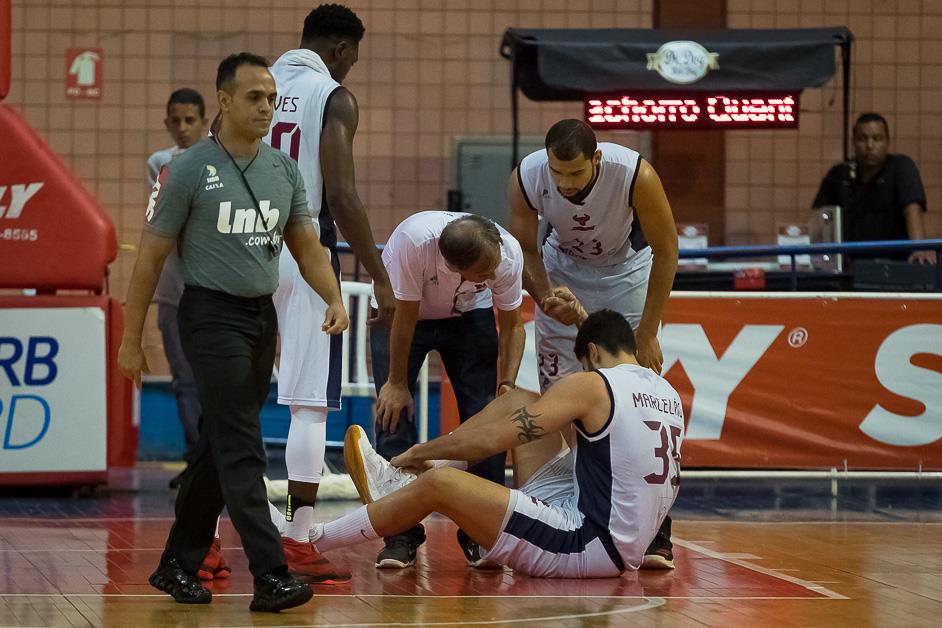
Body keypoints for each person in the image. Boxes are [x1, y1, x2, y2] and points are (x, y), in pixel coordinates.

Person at [118, 52, 348, 612]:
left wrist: (334, 295)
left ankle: (177, 563)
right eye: (254, 97)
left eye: (271, 98)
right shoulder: (191, 168)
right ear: (222, 101)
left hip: (257, 318)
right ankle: (270, 573)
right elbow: (149, 257)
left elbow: (306, 246)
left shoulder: (282, 170)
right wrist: (131, 338)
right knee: (242, 442)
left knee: (215, 445)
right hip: (208, 315)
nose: (266, 107)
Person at [314, 309, 683, 579]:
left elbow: (491, 440)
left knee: (441, 484)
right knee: (519, 401)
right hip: (622, 538)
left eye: (585, 363)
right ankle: (404, 485)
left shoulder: (594, 384)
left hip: (585, 543)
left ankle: (316, 541)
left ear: (593, 353)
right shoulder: (666, 393)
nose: (586, 370)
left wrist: (415, 453)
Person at [506, 119, 679, 568]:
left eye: (575, 175)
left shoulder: (635, 174)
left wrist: (648, 330)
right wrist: (544, 295)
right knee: (560, 395)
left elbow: (667, 248)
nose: (564, 184)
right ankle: (581, 498)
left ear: (596, 160)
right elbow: (524, 245)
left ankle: (658, 530)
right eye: (557, 174)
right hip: (561, 272)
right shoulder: (527, 176)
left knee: (637, 396)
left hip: (626, 273)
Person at [261, 3, 393, 583]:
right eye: (353, 61)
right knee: (309, 403)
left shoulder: (253, 85)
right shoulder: (331, 95)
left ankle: (206, 542)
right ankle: (296, 538)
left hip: (238, 249)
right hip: (303, 249)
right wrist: (381, 275)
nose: (351, 73)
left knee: (229, 404)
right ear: (340, 51)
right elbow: (340, 193)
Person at [370, 211, 526, 569]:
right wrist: (396, 383)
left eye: (493, 268)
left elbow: (514, 326)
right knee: (391, 415)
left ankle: (479, 530)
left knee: (486, 419)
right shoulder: (414, 244)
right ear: (454, 269)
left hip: (469, 318)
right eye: (483, 274)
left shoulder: (507, 255)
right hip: (404, 316)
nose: (492, 277)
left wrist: (508, 383)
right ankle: (400, 534)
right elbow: (405, 316)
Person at [146, 88, 207, 491]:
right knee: (184, 381)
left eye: (190, 120)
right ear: (167, 123)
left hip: (216, 292)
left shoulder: (223, 161)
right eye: (175, 120)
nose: (182, 128)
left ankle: (219, 463)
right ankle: (195, 463)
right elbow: (171, 218)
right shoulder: (160, 163)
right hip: (174, 292)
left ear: (204, 121)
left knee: (220, 382)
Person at [813, 112, 935, 264]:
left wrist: (919, 248)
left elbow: (912, 208)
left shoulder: (901, 167)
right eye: (862, 139)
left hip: (894, 263)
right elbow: (819, 218)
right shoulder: (839, 175)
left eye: (877, 139)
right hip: (849, 264)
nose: (869, 146)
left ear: (887, 143)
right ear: (854, 143)